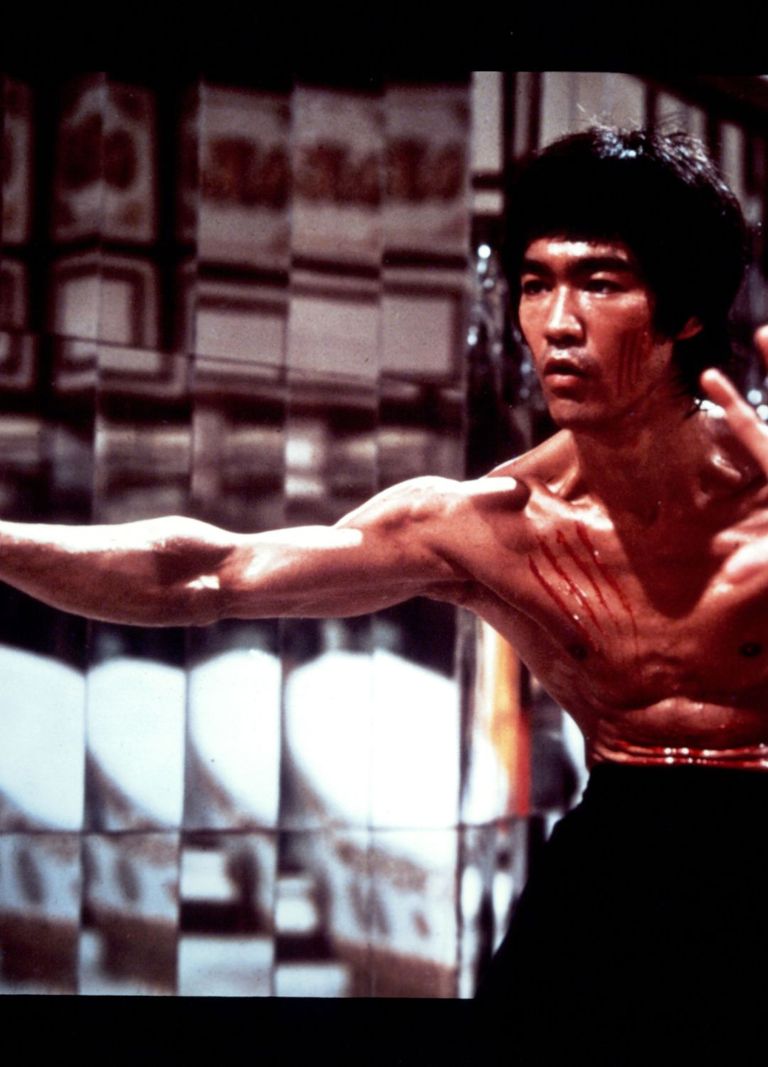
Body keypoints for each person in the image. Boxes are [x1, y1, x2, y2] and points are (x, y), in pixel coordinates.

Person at [2, 125, 767, 1051]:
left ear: (686, 312)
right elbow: (208, 573)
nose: (559, 323)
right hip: (619, 839)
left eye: (600, 283)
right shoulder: (489, 522)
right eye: (536, 284)